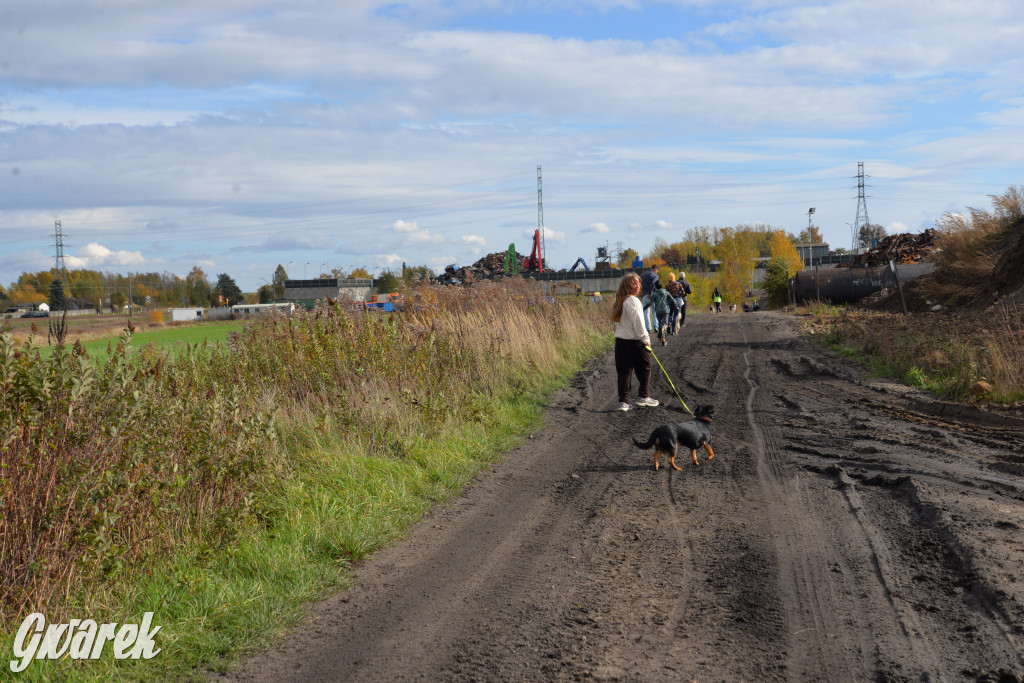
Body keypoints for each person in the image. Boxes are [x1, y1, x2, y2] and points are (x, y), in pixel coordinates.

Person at [611, 273, 659, 412]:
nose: (638, 286)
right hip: (634, 342)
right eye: (634, 283)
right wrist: (646, 339)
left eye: (638, 283)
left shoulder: (620, 300)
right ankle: (643, 396)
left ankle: (624, 402)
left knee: (624, 372)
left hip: (621, 342)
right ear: (628, 286)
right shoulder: (633, 301)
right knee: (645, 367)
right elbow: (638, 322)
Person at [644, 281, 679, 346]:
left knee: (660, 324)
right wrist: (676, 306)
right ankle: (662, 330)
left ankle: (663, 341)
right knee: (664, 324)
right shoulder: (666, 292)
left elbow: (650, 302)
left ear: (655, 287)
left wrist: (644, 308)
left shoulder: (654, 294)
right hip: (665, 311)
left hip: (658, 311)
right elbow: (672, 300)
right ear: (661, 286)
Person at [639, 263, 660, 334]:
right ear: (656, 269)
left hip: (645, 295)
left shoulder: (643, 275)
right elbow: (654, 284)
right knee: (655, 311)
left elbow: (639, 283)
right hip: (653, 294)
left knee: (646, 312)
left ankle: (648, 329)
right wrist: (650, 292)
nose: (657, 272)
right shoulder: (655, 276)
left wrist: (643, 291)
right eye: (657, 271)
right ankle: (656, 326)